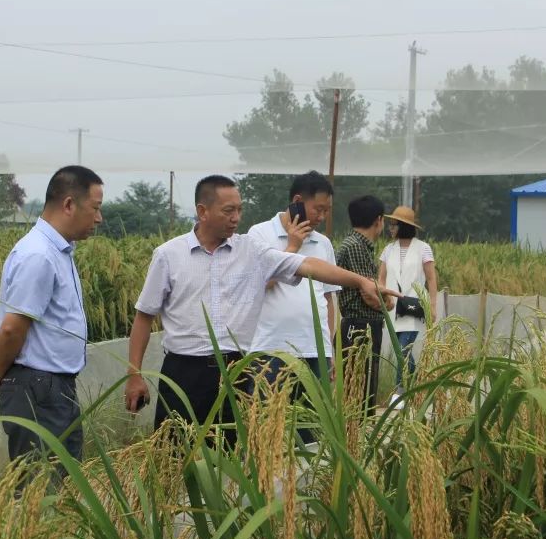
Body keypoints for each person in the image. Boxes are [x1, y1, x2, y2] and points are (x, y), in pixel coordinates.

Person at [123, 175, 398, 433]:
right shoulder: (169, 255)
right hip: (184, 372)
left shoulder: (250, 250)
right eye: (228, 211)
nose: (236, 218)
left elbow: (307, 265)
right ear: (203, 211)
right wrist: (134, 375)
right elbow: (144, 316)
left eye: (240, 210)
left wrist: (361, 282)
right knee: (175, 451)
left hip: (236, 371)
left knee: (232, 456)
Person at [0, 166, 103, 463]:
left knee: (62, 483)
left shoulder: (57, 251)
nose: (99, 218)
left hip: (51, 386)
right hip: (37, 388)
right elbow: (13, 328)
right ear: (69, 205)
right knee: (41, 487)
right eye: (95, 208)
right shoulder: (39, 255)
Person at [247, 171, 338, 442]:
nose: (322, 216)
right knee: (268, 431)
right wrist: (293, 246)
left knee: (311, 433)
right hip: (270, 351)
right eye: (318, 208)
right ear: (298, 201)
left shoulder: (324, 244)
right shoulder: (259, 234)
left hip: (314, 352)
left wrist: (329, 346)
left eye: (326, 210)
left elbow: (329, 299)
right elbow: (257, 285)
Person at [336, 195, 394, 414]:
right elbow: (370, 294)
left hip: (364, 324)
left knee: (365, 385)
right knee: (359, 390)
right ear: (378, 220)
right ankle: (356, 437)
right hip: (360, 325)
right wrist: (388, 303)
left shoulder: (358, 245)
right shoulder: (355, 247)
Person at [377, 206, 437, 392]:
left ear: (403, 226)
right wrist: (382, 297)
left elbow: (431, 278)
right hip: (393, 306)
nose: (390, 228)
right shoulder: (388, 250)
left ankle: (400, 391)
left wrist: (433, 305)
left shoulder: (423, 248)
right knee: (400, 350)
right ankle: (416, 382)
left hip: (414, 305)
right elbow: (381, 278)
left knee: (403, 349)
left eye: (394, 225)